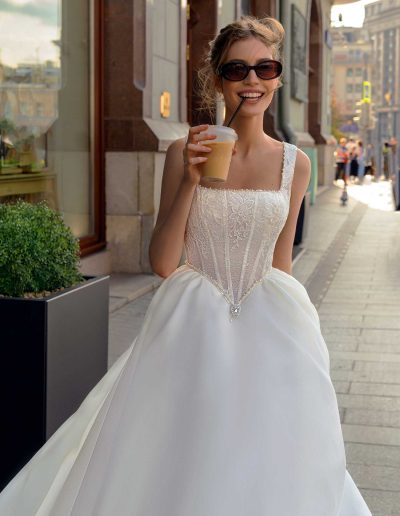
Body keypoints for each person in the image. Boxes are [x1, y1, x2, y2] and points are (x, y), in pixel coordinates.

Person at [0, 16, 372, 516]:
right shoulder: (184, 150)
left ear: (278, 78)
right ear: (217, 79)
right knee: (184, 442)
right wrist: (192, 180)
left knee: (274, 444)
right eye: (237, 69)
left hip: (271, 319)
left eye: (265, 67)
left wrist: (298, 329)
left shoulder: (296, 163)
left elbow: (281, 257)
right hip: (192, 319)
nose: (252, 80)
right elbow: (162, 262)